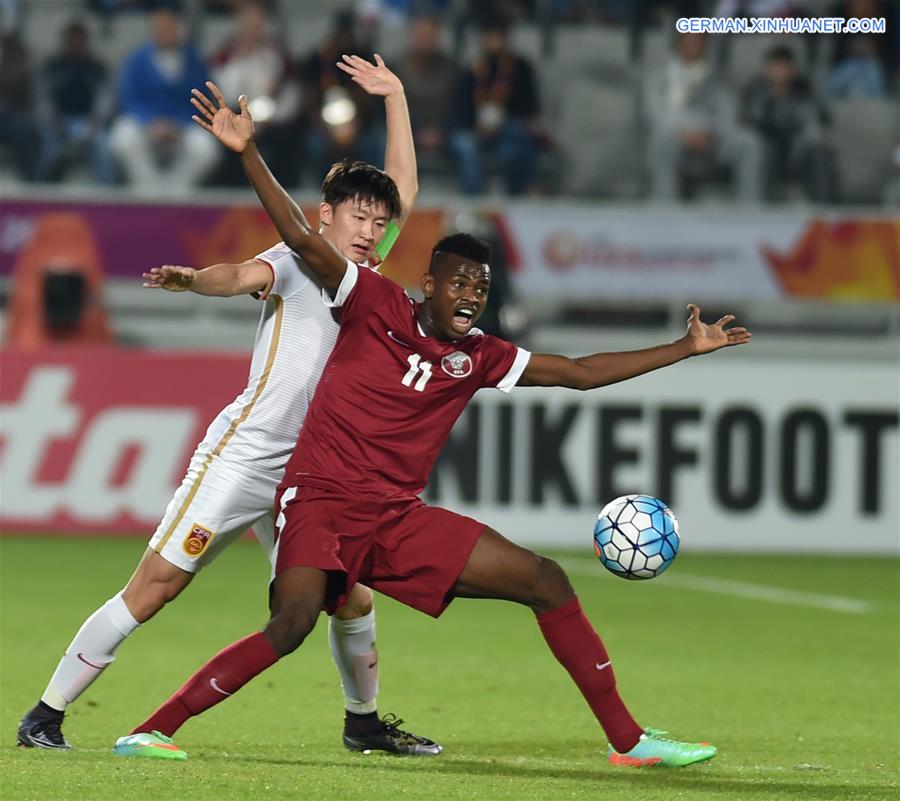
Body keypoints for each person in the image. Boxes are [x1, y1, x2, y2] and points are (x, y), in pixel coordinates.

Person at [111, 81, 750, 766]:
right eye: (459, 284)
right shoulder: (371, 301)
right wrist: (248, 153)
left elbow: (581, 371)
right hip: (319, 501)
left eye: (481, 288)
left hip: (393, 517)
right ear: (429, 285)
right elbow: (300, 236)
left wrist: (684, 348)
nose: (471, 296)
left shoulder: (481, 356)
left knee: (546, 580)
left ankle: (631, 742)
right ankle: (151, 727)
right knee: (293, 622)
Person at [17, 56, 441, 758]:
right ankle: (46, 712)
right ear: (327, 215)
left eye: (378, 221)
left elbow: (407, 184)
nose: (369, 229)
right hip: (245, 458)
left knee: (352, 597)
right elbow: (240, 274)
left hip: (309, 476)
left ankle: (363, 723)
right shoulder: (301, 257)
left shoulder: (364, 278)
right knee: (153, 588)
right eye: (357, 217)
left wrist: (397, 93)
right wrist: (194, 280)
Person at [108, 1, 219, 192]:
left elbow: (202, 99)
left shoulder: (193, 59)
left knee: (205, 147)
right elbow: (129, 99)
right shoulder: (137, 58)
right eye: (158, 28)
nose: (162, 32)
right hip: (147, 126)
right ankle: (146, 189)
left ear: (178, 29)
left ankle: (177, 189)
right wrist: (151, 122)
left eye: (167, 28)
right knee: (122, 137)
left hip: (181, 127)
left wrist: (179, 124)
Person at [645, 30, 762, 202]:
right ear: (678, 45)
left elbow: (728, 111)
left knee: (748, 142)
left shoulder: (718, 77)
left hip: (713, 140)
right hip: (678, 138)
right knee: (661, 139)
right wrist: (684, 134)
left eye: (699, 41)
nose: (695, 46)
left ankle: (749, 206)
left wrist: (711, 133)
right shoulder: (659, 78)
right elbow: (654, 114)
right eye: (690, 41)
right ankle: (665, 204)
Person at [208, 0, 303, 187]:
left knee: (288, 140)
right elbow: (223, 91)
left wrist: (271, 116)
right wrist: (241, 58)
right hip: (237, 116)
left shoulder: (277, 53)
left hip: (273, 120)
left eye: (257, 23)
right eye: (248, 24)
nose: (253, 29)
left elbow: (290, 92)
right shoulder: (227, 54)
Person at [450, 11, 543, 195]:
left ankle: (515, 194)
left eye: (498, 36)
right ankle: (472, 198)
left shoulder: (520, 69)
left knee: (516, 143)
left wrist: (501, 123)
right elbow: (460, 107)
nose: (493, 41)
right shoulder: (472, 70)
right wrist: (475, 127)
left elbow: (530, 108)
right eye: (489, 36)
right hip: (475, 130)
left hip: (507, 130)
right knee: (464, 144)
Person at [741, 45, 838, 203]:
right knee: (756, 150)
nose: (779, 72)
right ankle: (755, 210)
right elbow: (749, 122)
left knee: (819, 152)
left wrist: (818, 138)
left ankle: (825, 213)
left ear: (793, 70)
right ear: (766, 69)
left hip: (797, 150)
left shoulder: (804, 91)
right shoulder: (754, 91)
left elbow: (813, 121)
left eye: (784, 67)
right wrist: (771, 99)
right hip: (767, 149)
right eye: (775, 67)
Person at [36, 21, 115, 184]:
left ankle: (106, 195)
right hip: (57, 122)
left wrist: (94, 124)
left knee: (104, 148)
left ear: (86, 41)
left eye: (79, 40)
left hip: (89, 123)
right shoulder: (51, 67)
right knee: (46, 148)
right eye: (71, 39)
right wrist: (58, 125)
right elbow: (43, 101)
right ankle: (42, 193)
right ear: (64, 41)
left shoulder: (97, 68)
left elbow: (105, 101)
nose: (75, 44)